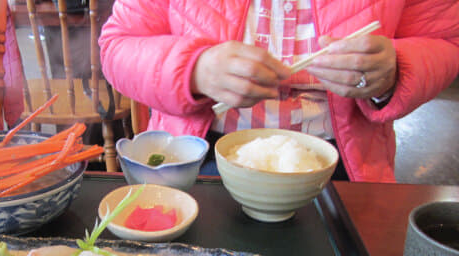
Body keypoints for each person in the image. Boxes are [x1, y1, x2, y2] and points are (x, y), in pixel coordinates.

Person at [99, 0, 459, 182]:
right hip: (200, 161)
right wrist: (196, 70)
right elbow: (118, 47)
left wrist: (396, 70)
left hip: (345, 167)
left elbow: (446, 39)